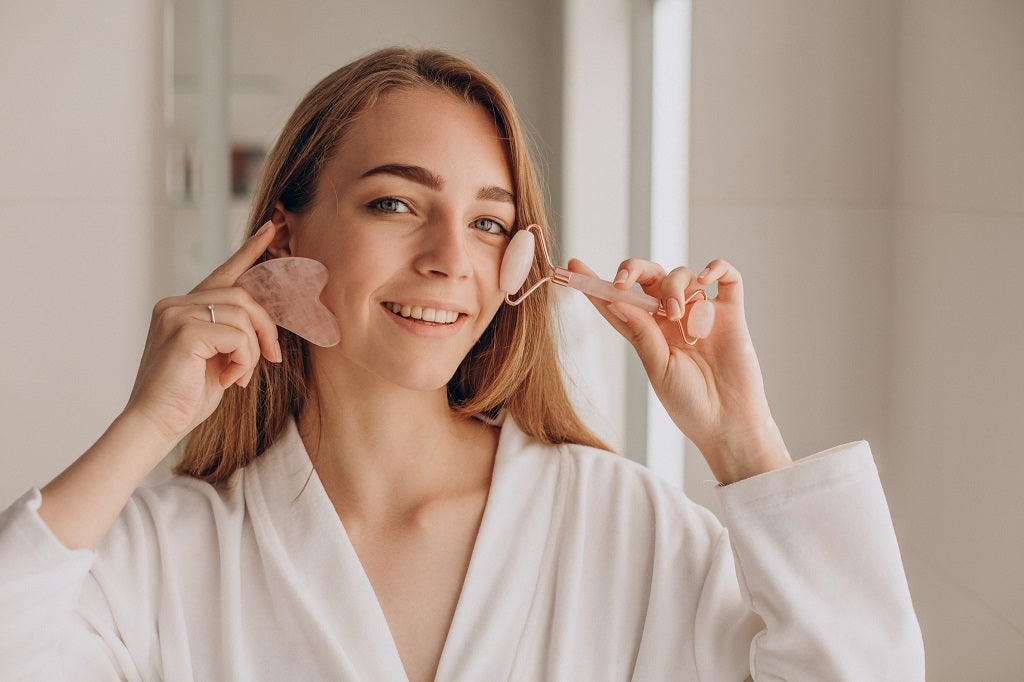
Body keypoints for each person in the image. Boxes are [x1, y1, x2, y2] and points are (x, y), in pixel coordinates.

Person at [0, 47, 924, 681]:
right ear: (285, 235)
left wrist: (740, 440)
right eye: (396, 204)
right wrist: (147, 426)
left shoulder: (612, 523)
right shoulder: (171, 554)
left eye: (488, 222)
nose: (451, 257)